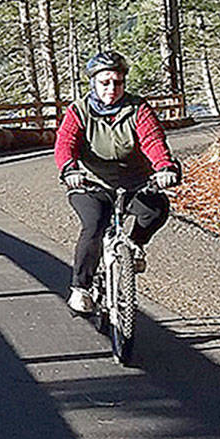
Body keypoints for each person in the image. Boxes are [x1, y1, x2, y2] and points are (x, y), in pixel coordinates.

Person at [54, 51, 181, 314]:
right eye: (105, 82)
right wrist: (69, 169)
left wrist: (164, 167)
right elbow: (65, 144)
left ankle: (134, 246)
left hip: (134, 182)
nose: (112, 88)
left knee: (157, 209)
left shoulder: (138, 109)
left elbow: (153, 141)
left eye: (118, 82)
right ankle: (81, 288)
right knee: (95, 224)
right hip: (90, 184)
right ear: (94, 83)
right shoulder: (79, 111)